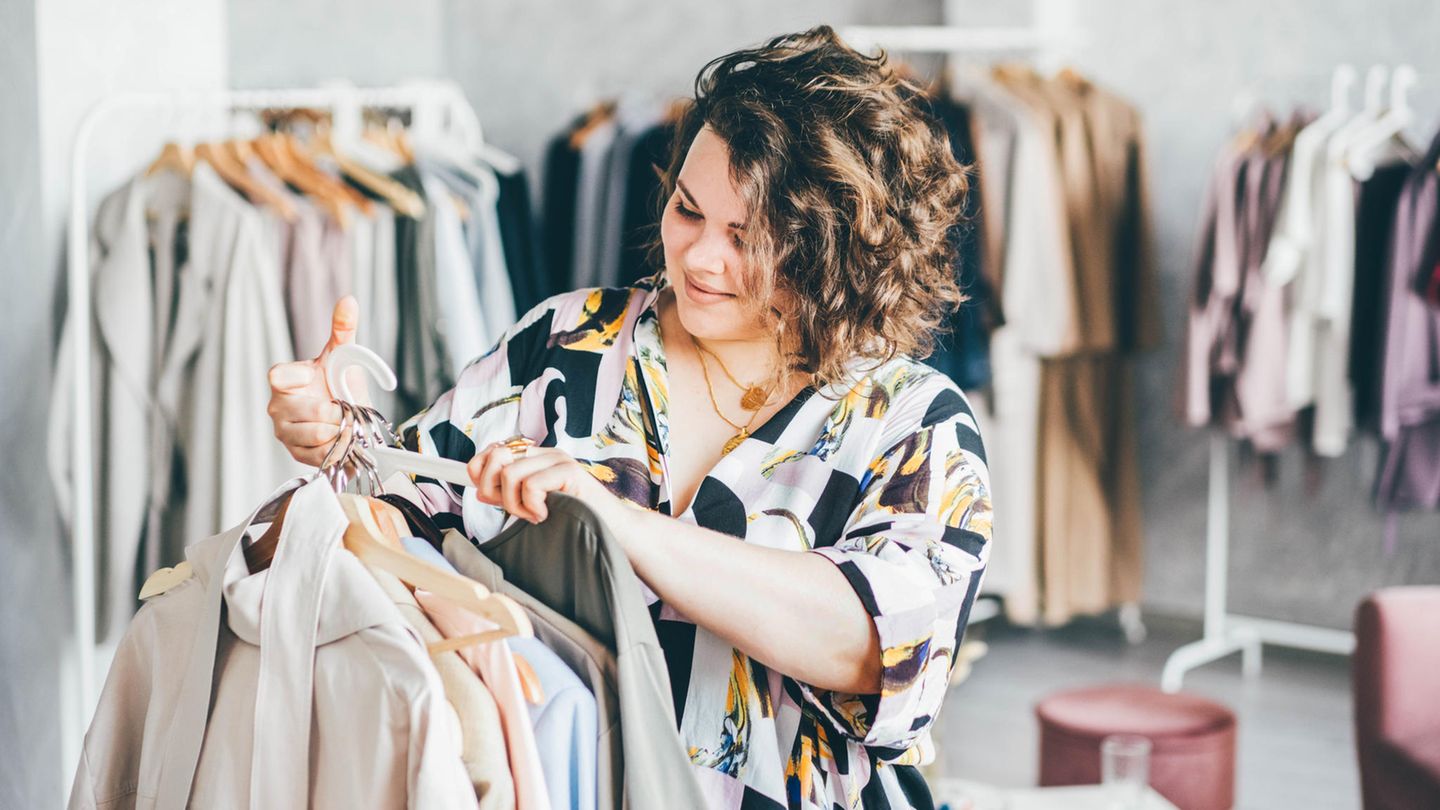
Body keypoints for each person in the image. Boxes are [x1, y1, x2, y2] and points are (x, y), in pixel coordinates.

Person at [267, 25, 992, 810]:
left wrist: (621, 525)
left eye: (747, 239)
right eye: (688, 210)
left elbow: (879, 647)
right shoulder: (569, 343)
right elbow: (411, 502)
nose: (700, 258)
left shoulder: (912, 423)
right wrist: (338, 434)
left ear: (835, 249)